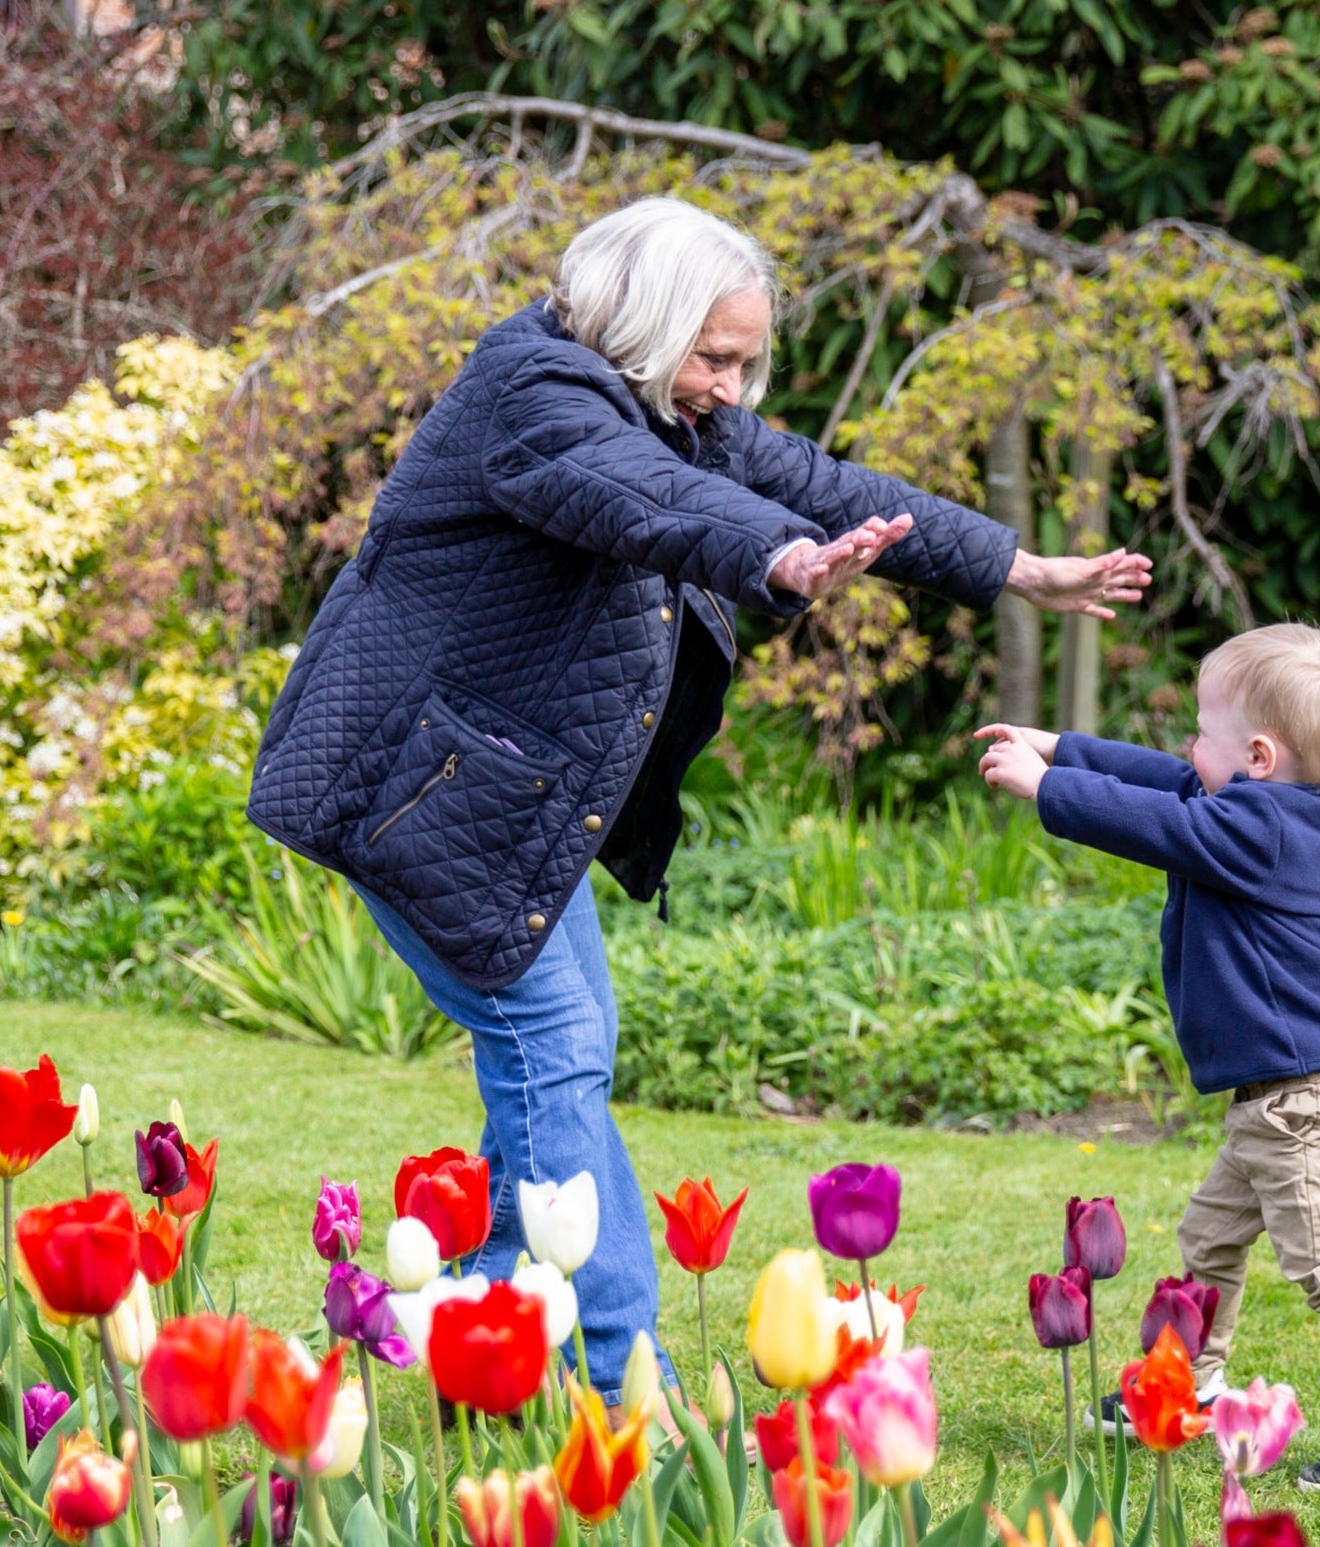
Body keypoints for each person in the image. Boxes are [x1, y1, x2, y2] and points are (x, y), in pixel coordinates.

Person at [248, 195, 1152, 1395]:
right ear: (644, 321)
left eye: (745, 360)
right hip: (412, 790)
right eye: (715, 356)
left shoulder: (675, 411)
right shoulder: (538, 399)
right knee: (553, 1042)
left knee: (567, 1044)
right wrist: (776, 559)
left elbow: (820, 481)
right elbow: (653, 499)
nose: (732, 385)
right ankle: (621, 1374)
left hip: (488, 795)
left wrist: (1020, 567)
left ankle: (481, 1328)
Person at [975, 623, 1320, 1487]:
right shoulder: (1255, 806)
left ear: (1261, 757)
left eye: (1204, 732)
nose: (1187, 746)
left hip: (1310, 1103)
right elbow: (1166, 783)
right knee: (1209, 1241)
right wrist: (1062, 746)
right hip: (1273, 1103)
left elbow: (1158, 823)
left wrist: (1049, 788)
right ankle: (1182, 1389)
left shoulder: (1267, 832)